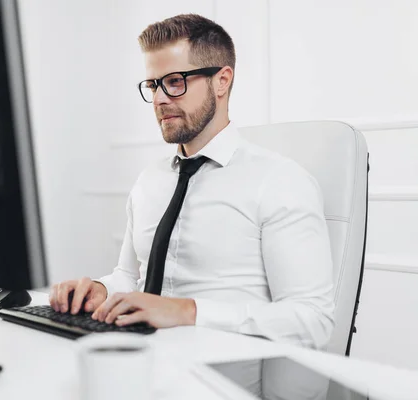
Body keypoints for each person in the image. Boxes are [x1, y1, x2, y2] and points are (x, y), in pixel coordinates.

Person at [49, 14, 334, 349]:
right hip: (137, 366)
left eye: (175, 81)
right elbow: (130, 277)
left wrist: (187, 311)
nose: (159, 100)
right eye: (154, 85)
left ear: (222, 81)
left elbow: (314, 321)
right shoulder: (149, 181)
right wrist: (100, 290)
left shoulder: (280, 182)